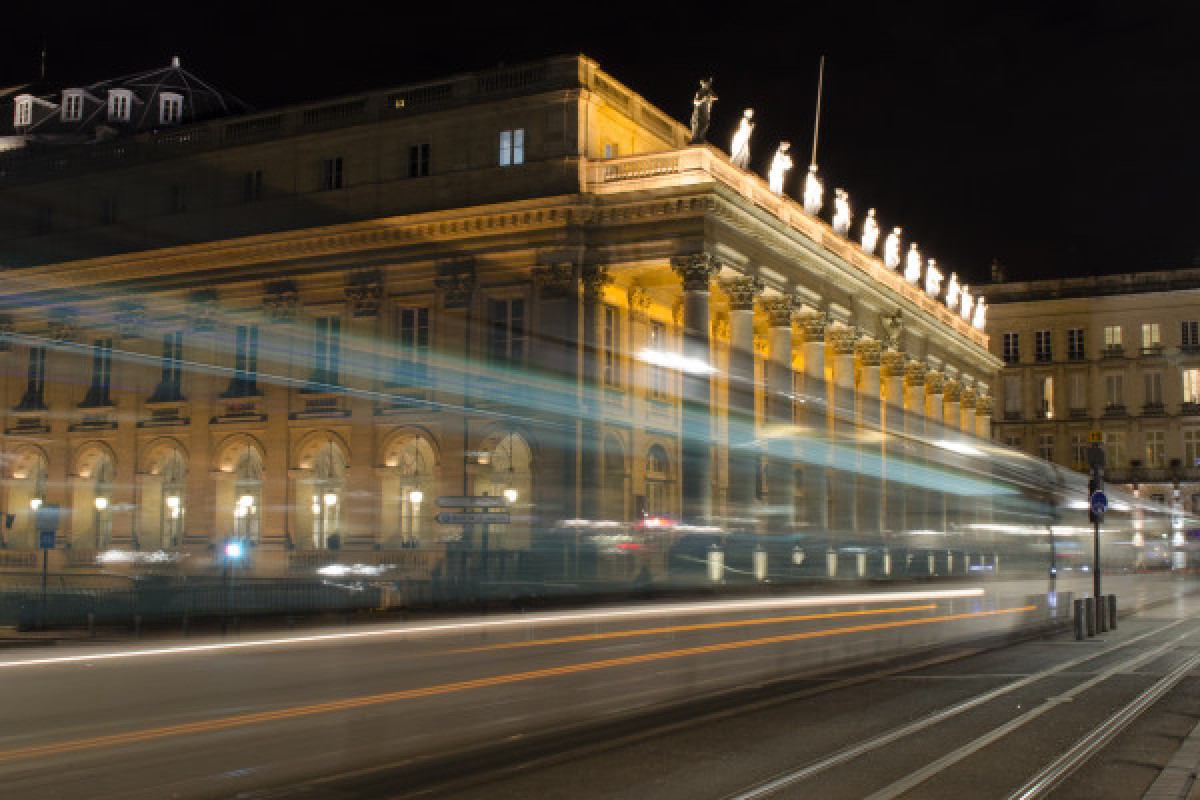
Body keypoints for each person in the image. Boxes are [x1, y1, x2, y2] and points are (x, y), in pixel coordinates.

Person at [689, 78, 717, 144]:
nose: (707, 85)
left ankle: (701, 138)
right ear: (703, 84)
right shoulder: (699, 92)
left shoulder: (709, 91)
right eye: (705, 84)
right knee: (697, 125)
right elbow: (695, 102)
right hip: (699, 112)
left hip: (706, 112)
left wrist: (710, 96)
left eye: (708, 84)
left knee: (705, 125)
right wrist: (703, 99)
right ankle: (695, 138)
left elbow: (715, 97)